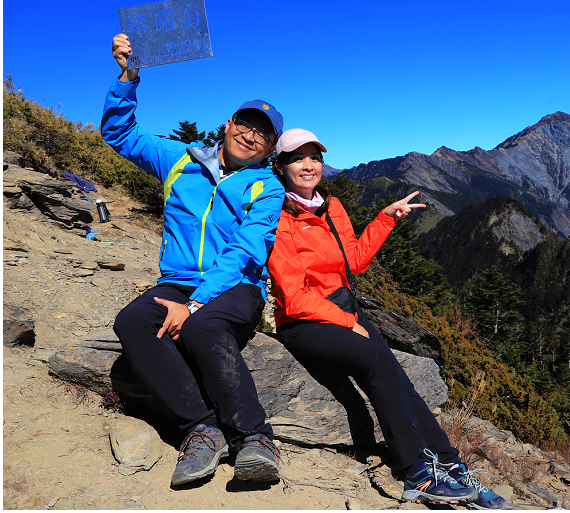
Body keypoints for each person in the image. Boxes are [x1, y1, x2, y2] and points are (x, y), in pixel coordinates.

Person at [267, 128, 507, 508]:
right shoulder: (276, 215)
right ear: (280, 165)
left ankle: (449, 464)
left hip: (344, 305)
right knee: (378, 359)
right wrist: (348, 323)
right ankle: (416, 472)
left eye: (314, 157)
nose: (309, 165)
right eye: (298, 158)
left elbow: (355, 262)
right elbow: (295, 299)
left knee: (398, 377)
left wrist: (385, 218)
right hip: (305, 322)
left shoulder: (332, 206)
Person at [102, 34, 284, 487]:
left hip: (237, 285)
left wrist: (198, 303)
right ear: (227, 123)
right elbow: (119, 134)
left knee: (201, 325)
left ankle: (255, 437)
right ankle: (201, 431)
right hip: (177, 279)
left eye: (262, 133)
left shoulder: (268, 187)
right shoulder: (178, 159)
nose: (251, 134)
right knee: (131, 320)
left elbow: (247, 250)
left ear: (270, 148)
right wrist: (128, 75)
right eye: (246, 123)